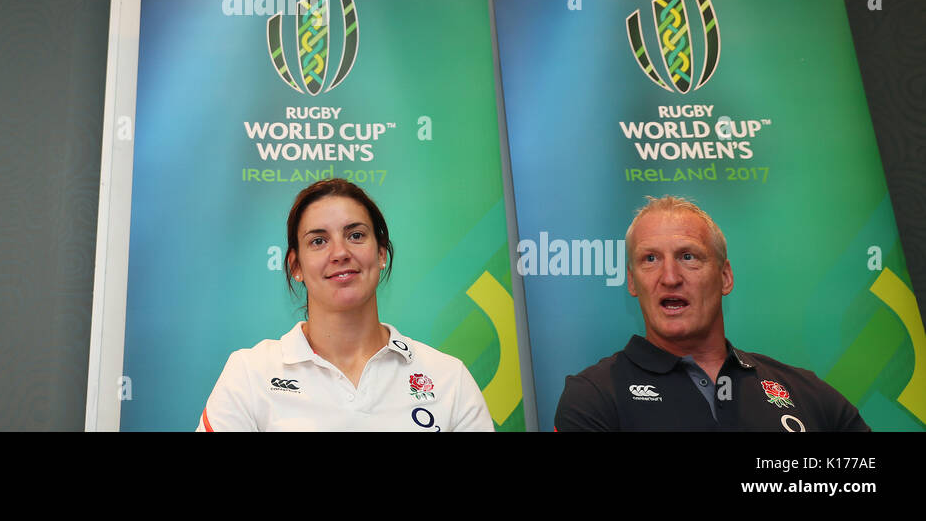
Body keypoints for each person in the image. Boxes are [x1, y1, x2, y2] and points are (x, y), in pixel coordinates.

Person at [197, 178, 495, 431]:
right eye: (318, 241)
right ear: (295, 266)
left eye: (355, 235)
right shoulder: (250, 375)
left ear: (381, 254)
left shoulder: (447, 378)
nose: (340, 252)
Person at [554, 195, 869, 431]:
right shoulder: (594, 396)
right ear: (632, 281)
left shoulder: (807, 394)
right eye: (650, 259)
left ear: (725, 277)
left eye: (688, 256)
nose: (670, 277)